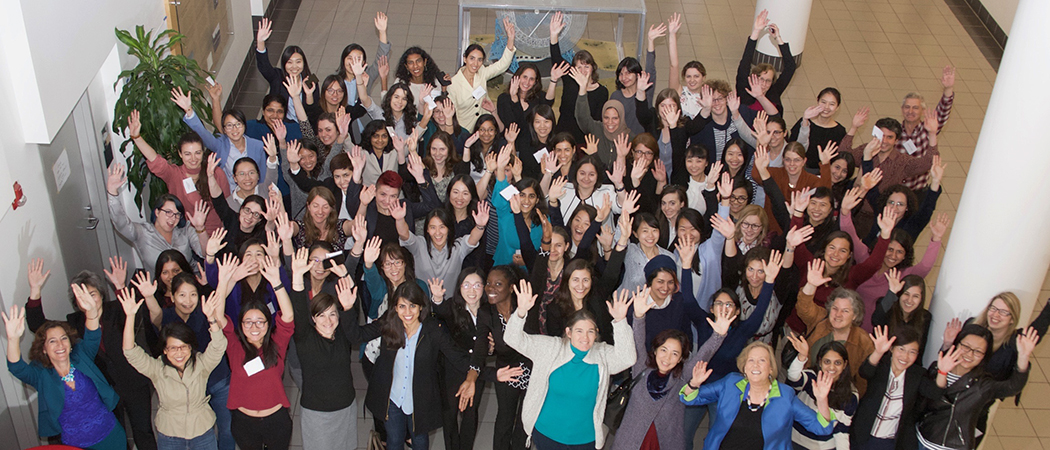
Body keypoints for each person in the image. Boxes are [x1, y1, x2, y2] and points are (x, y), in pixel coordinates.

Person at [24, 268, 158, 450]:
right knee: (118, 435)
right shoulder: (73, 323)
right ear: (76, 303)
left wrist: (119, 287)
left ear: (101, 295)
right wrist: (35, 291)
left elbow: (135, 314)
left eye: (92, 294)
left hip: (133, 382)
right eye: (82, 296)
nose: (88, 299)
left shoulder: (117, 309)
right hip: (104, 390)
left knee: (144, 433)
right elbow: (37, 325)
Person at [504, 280, 637, 449]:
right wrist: (521, 312)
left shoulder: (602, 354)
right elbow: (512, 339)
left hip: (585, 439)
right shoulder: (551, 347)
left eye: (591, 331)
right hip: (547, 433)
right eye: (579, 331)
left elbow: (628, 358)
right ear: (568, 332)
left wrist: (620, 322)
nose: (585, 337)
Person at [343, 282, 475, 450]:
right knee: (394, 440)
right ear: (395, 308)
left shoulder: (432, 329)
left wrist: (485, 373)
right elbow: (357, 336)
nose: (407, 312)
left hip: (419, 401)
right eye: (402, 306)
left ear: (421, 307)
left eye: (412, 306)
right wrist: (348, 309)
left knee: (420, 442)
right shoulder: (389, 323)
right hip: (393, 399)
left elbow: (458, 358)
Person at [5, 285, 127, 450]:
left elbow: (92, 335)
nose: (60, 344)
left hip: (111, 435)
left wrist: (91, 312)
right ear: (44, 349)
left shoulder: (82, 356)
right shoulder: (41, 375)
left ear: (70, 344)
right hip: (76, 445)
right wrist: (12, 339)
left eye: (64, 338)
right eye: (52, 341)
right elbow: (17, 368)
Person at [610, 288, 732, 450]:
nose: (667, 358)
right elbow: (638, 339)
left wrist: (718, 336)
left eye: (675, 354)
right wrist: (638, 316)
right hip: (631, 441)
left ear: (681, 358)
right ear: (655, 350)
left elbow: (704, 355)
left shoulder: (683, 376)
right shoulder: (642, 367)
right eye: (664, 350)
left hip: (666, 442)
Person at [120, 286, 227, 450]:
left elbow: (219, 345)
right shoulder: (157, 369)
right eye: (173, 348)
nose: (179, 353)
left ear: (191, 347)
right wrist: (130, 316)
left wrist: (211, 318)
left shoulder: (201, 364)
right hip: (170, 435)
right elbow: (130, 352)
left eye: (184, 346)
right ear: (164, 350)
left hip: (202, 432)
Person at [680, 341, 835, 450]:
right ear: (744, 367)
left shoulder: (785, 396)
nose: (755, 365)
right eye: (751, 360)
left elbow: (822, 428)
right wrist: (694, 383)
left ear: (770, 368)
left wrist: (822, 399)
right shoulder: (731, 383)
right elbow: (690, 397)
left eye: (762, 360)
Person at [282, 248, 364, 450]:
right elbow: (299, 310)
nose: (327, 321)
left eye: (332, 315)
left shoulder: (343, 333)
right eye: (321, 316)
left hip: (345, 408)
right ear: (312, 318)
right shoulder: (305, 337)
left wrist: (345, 276)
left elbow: (351, 308)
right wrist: (298, 278)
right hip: (316, 413)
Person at [917, 325, 1036, 450]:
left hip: (952, 446)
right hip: (921, 436)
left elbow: (1012, 387)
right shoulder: (937, 368)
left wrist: (1023, 357)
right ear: (957, 344)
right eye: (966, 347)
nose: (970, 354)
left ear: (984, 356)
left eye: (978, 351)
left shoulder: (983, 385)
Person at [221, 254, 295, 450]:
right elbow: (217, 316)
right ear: (241, 325)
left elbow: (287, 316)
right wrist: (225, 282)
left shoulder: (277, 344)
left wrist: (277, 282)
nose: (254, 327)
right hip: (244, 423)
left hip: (276, 421)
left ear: (268, 324)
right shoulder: (234, 345)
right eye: (248, 322)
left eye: (260, 321)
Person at [127, 110, 231, 233]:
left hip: (215, 233)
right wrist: (137, 137)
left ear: (203, 152)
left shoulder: (216, 173)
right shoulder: (175, 174)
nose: (193, 159)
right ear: (180, 154)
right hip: (185, 234)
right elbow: (155, 160)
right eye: (187, 154)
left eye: (197, 153)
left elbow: (227, 206)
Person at [851, 326, 945, 450]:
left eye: (912, 352)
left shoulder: (917, 374)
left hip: (890, 441)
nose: (905, 357)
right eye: (901, 349)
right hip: (863, 434)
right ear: (891, 348)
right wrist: (878, 352)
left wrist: (943, 372)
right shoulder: (881, 364)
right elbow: (865, 372)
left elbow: (935, 393)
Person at [427, 268, 490, 450]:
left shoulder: (490, 311)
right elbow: (439, 311)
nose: (472, 291)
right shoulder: (452, 307)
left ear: (484, 288)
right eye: (467, 285)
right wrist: (437, 299)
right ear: (459, 287)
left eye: (477, 285)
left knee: (471, 413)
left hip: (477, 370)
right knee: (450, 413)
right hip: (453, 370)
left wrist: (491, 349)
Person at [795, 261, 876, 395]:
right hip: (805, 387)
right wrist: (811, 285)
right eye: (835, 309)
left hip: (837, 397)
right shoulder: (820, 320)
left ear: (855, 315)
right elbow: (803, 308)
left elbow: (862, 380)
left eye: (845, 311)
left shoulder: (863, 341)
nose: (838, 315)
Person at [106, 162, 206, 269]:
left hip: (187, 282)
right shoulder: (142, 232)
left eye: (177, 214)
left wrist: (200, 229)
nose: (172, 218)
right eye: (168, 212)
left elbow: (205, 253)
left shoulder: (185, 230)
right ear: (157, 212)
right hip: (157, 285)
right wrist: (112, 193)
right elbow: (121, 223)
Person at [174, 88, 268, 188]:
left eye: (238, 124)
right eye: (229, 125)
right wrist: (189, 110)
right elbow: (203, 134)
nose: (234, 129)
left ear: (244, 126)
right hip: (230, 194)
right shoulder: (220, 144)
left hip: (253, 194)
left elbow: (263, 175)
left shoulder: (257, 145)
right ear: (224, 129)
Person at [393, 199, 488, 299]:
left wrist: (480, 226)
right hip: (422, 304)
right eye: (433, 227)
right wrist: (400, 220)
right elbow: (404, 235)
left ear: (448, 229)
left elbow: (473, 239)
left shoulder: (458, 247)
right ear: (427, 230)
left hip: (449, 306)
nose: (438, 232)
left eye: (442, 227)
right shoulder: (420, 245)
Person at [783, 338, 859, 450]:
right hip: (795, 441)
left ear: (845, 365)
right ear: (820, 362)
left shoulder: (851, 395)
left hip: (824, 447)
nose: (831, 367)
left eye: (837, 363)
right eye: (827, 362)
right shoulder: (812, 378)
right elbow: (793, 378)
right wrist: (802, 357)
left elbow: (842, 431)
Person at [549, 11, 609, 141]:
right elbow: (557, 59)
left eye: (586, 66)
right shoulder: (570, 78)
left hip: (584, 140)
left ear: (593, 68)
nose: (582, 71)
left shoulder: (602, 92)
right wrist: (554, 36)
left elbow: (597, 121)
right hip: (563, 135)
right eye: (579, 67)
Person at [449, 17, 516, 130]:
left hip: (486, 125)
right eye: (472, 58)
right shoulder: (453, 84)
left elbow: (502, 65)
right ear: (465, 59)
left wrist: (510, 39)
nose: (475, 64)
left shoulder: (482, 72)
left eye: (480, 60)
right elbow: (451, 113)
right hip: (466, 129)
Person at [895, 66, 955, 191]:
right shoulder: (894, 132)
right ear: (902, 109)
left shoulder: (927, 129)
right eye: (907, 107)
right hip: (895, 189)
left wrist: (948, 89)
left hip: (917, 190)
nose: (910, 111)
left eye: (915, 108)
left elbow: (943, 111)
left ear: (922, 111)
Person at [255, 18, 318, 121]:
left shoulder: (311, 79)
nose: (294, 67)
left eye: (298, 62)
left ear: (304, 63)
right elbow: (264, 67)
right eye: (289, 62)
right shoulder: (277, 77)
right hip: (279, 124)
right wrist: (260, 42)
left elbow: (313, 111)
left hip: (302, 126)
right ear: (284, 64)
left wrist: (309, 95)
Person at [735, 10, 795, 115]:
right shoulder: (744, 89)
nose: (764, 84)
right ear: (754, 78)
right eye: (761, 79)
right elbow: (745, 62)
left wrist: (778, 38)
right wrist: (756, 32)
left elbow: (790, 67)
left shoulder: (774, 91)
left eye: (768, 80)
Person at [609, 21, 662, 136]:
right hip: (621, 142)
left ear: (638, 74)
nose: (624, 77)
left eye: (628, 73)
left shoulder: (646, 92)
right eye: (621, 74)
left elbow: (650, 68)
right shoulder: (615, 96)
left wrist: (650, 41)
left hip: (641, 143)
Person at [870, 270, 933, 359]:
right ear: (900, 294)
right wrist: (891, 292)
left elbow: (920, 351)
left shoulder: (925, 317)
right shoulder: (887, 305)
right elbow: (876, 320)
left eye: (915, 296)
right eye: (906, 294)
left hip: (906, 364)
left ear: (921, 299)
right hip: (881, 361)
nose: (909, 300)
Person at [790, 88, 847, 171]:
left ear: (837, 107)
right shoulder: (805, 121)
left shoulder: (839, 131)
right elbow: (792, 145)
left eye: (832, 104)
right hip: (797, 168)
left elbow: (839, 157)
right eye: (823, 102)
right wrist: (805, 121)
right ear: (817, 101)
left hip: (822, 171)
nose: (826, 107)